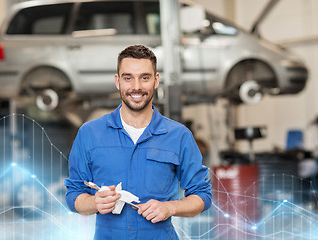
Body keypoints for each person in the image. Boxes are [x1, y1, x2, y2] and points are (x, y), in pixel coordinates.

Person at [64, 45, 212, 239]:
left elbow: (202, 196)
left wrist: (169, 207)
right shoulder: (90, 134)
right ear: (117, 81)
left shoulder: (179, 136)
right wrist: (94, 203)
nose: (136, 87)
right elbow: (74, 195)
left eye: (144, 77)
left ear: (156, 80)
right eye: (128, 78)